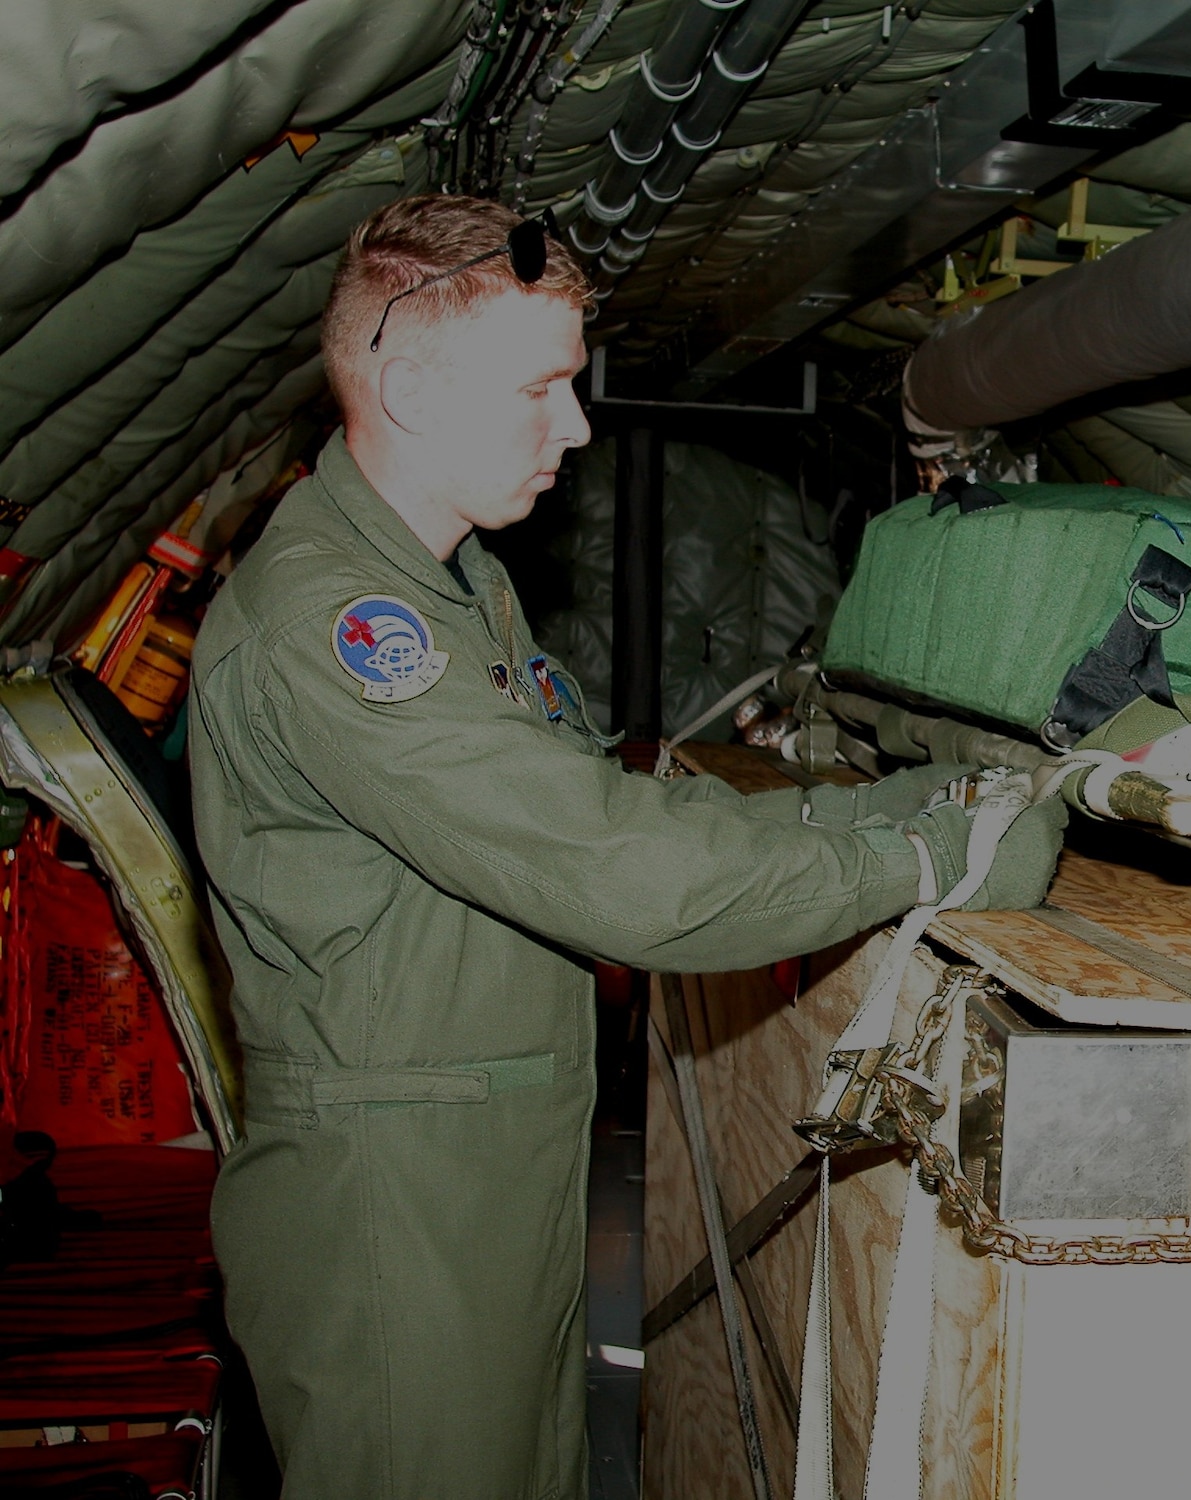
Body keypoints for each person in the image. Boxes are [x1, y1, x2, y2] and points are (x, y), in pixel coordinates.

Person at [187, 194, 1064, 1500]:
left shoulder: (463, 585)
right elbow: (629, 879)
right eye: (542, 387)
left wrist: (904, 805)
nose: (578, 425)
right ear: (415, 386)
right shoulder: (345, 631)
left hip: (487, 1179)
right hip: (396, 1215)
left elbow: (608, 809)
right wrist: (931, 865)